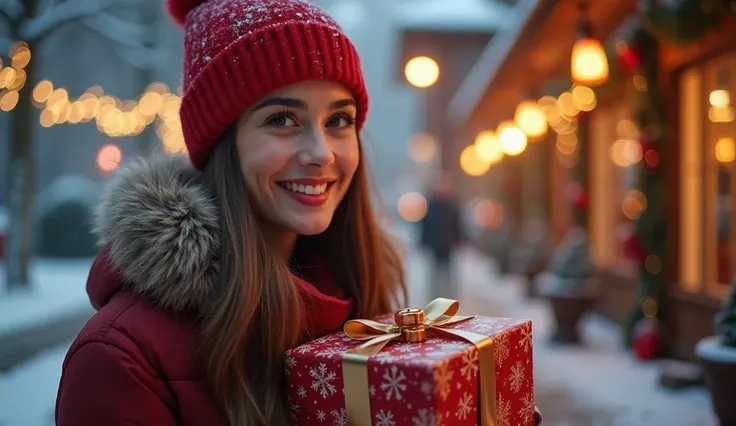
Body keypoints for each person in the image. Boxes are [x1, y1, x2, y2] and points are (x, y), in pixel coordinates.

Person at [55, 1, 544, 425]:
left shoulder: (362, 305)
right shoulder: (120, 358)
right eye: (282, 120)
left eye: (339, 121)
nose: (321, 153)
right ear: (225, 144)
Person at [419, 172, 463, 299]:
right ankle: (435, 296)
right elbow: (425, 226)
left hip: (448, 245)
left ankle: (449, 296)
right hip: (435, 244)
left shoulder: (452, 206)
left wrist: (457, 240)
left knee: (448, 272)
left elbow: (457, 225)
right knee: (434, 272)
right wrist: (424, 242)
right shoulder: (430, 207)